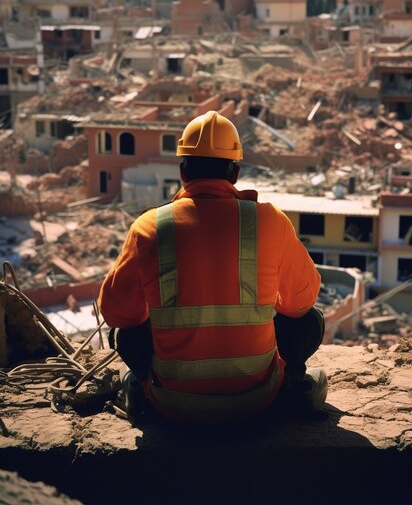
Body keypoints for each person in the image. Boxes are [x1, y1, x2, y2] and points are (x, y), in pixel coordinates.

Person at [98, 111, 327, 423]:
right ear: (235, 172)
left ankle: (140, 386)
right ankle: (294, 385)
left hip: (172, 405)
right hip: (257, 402)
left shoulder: (149, 228)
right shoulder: (270, 221)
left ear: (183, 171)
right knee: (308, 321)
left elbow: (116, 314)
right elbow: (303, 301)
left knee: (126, 332)